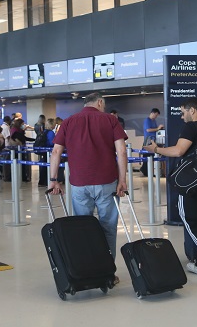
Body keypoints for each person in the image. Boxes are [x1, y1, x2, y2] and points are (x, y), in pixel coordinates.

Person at [144, 97, 197, 286]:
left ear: (192, 110)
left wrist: (157, 148)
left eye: (183, 112)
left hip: (190, 183)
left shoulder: (192, 127)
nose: (182, 117)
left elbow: (179, 151)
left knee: (189, 222)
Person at [48, 93, 128, 285]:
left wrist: (53, 180)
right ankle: (108, 272)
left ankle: (85, 271)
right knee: (108, 229)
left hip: (79, 184)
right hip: (107, 183)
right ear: (100, 103)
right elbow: (122, 151)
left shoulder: (68, 122)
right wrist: (123, 180)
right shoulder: (110, 120)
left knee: (83, 229)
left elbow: (56, 151)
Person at [37, 118, 56, 187]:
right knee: (47, 166)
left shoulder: (44, 131)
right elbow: (52, 143)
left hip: (42, 151)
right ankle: (45, 182)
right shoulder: (51, 133)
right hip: (48, 151)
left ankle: (42, 181)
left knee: (43, 166)